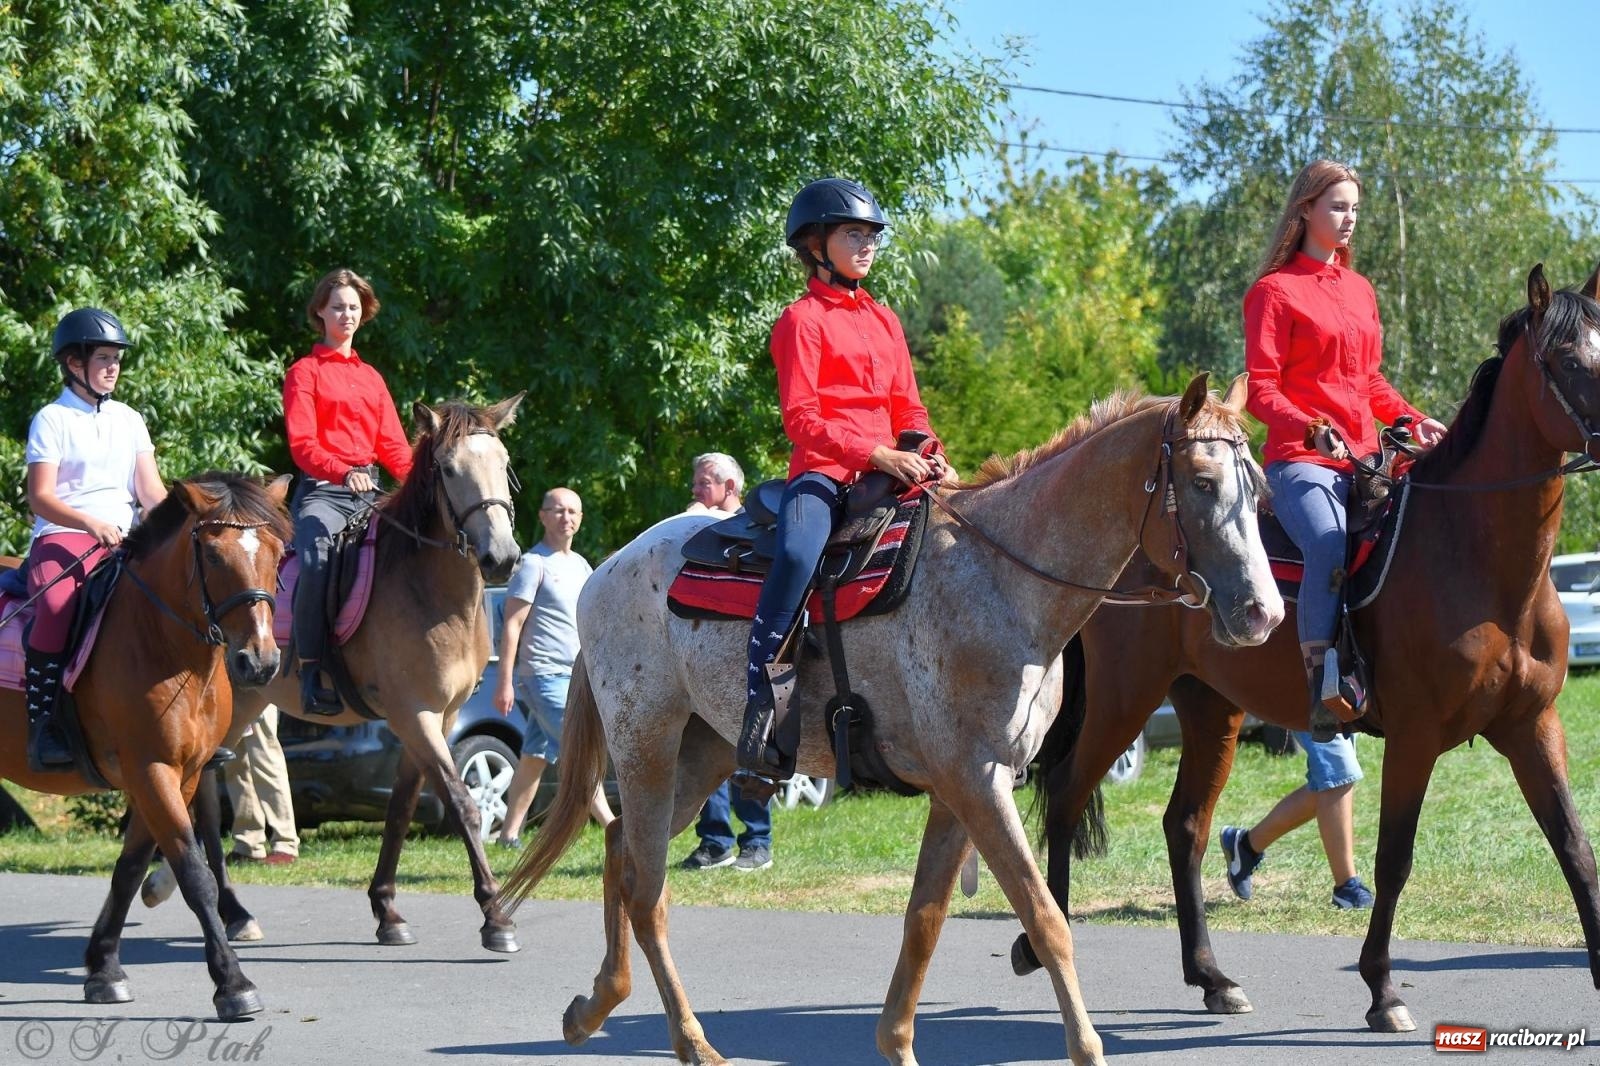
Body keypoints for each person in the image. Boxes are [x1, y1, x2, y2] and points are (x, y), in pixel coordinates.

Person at [736, 177, 954, 783]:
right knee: (799, 553)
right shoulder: (800, 321)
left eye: (872, 236)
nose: (867, 245)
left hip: (895, 467)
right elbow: (801, 419)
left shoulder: (885, 320)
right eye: (853, 234)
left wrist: (930, 452)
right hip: (824, 475)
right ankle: (763, 707)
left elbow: (909, 409)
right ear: (816, 244)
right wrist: (876, 454)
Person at [1242, 161, 1445, 743]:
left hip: (1368, 456)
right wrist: (1310, 428)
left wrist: (1412, 418)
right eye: (1337, 206)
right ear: (1305, 209)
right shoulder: (1273, 292)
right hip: (1300, 462)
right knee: (1329, 547)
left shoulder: (1360, 290)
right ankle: (1321, 688)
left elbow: (1370, 383)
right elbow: (1262, 389)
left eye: (1354, 207)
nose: (1349, 218)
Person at [22, 307, 167, 771]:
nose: (112, 368)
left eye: (117, 359)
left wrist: (187, 524)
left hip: (124, 540)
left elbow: (150, 493)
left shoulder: (129, 419)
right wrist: (90, 524)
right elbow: (40, 497)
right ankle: (45, 724)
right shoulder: (52, 418)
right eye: (103, 358)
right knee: (57, 604)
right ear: (74, 363)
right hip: (63, 537)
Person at [283, 268, 413, 716]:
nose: (346, 314)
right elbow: (302, 445)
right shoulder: (305, 372)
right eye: (338, 306)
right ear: (320, 311)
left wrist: (424, 484)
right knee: (318, 557)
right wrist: (342, 471)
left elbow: (393, 445)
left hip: (372, 492)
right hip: (324, 491)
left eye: (354, 307)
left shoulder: (372, 378)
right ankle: (311, 669)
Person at [493, 487, 615, 847]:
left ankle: (508, 834)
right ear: (543, 516)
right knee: (580, 751)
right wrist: (505, 682)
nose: (567, 518)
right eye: (558, 511)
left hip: (576, 676)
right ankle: (613, 828)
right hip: (543, 675)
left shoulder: (579, 565)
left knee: (534, 755)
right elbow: (512, 625)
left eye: (573, 511)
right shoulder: (534, 564)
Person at [676, 452, 773, 870]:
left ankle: (757, 842)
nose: (696, 491)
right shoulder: (701, 533)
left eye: (704, 483)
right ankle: (714, 842)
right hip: (704, 661)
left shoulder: (757, 529)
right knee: (703, 750)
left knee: (751, 744)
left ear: (729, 487)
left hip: (746, 658)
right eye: (696, 483)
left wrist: (695, 516)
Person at [1219, 734, 1374, 909]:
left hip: (1336, 707)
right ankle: (1347, 887)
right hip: (1316, 706)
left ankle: (1246, 846)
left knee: (1330, 783)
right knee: (1338, 771)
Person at [222, 704, 301, 865]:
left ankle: (285, 844)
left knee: (265, 761)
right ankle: (248, 844)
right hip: (231, 690)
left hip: (257, 686)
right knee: (235, 765)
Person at [685, 452, 744, 516]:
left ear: (729, 486)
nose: (695, 490)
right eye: (694, 484)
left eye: (703, 483)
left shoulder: (751, 523)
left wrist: (701, 520)